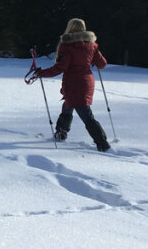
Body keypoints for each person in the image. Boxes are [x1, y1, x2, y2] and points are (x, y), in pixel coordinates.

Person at [31, 17, 110, 151]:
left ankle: (102, 143)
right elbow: (102, 64)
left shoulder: (67, 45)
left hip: (74, 82)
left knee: (84, 111)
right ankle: (61, 132)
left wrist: (42, 73)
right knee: (68, 104)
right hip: (87, 81)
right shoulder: (92, 45)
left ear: (70, 28)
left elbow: (60, 67)